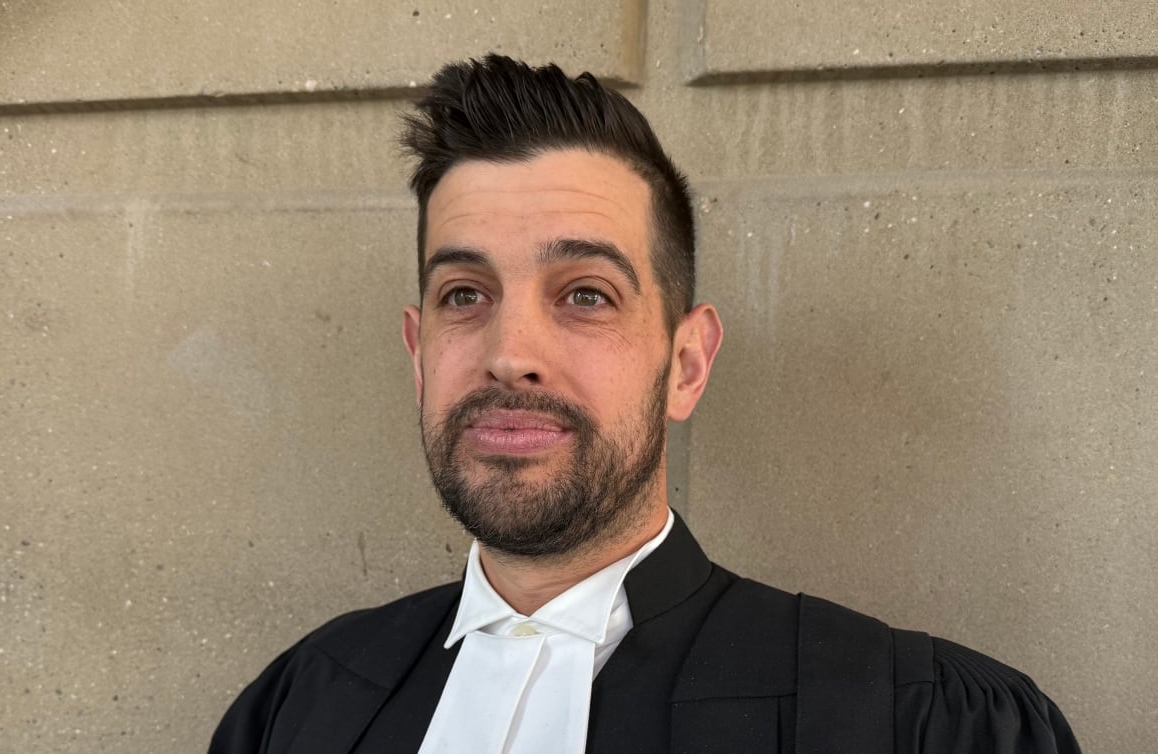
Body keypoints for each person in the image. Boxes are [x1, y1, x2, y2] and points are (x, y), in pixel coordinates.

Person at [209, 54, 1081, 754]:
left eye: (585, 294)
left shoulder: (917, 720)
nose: (510, 354)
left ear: (687, 363)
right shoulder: (301, 702)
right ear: (418, 354)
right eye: (464, 295)